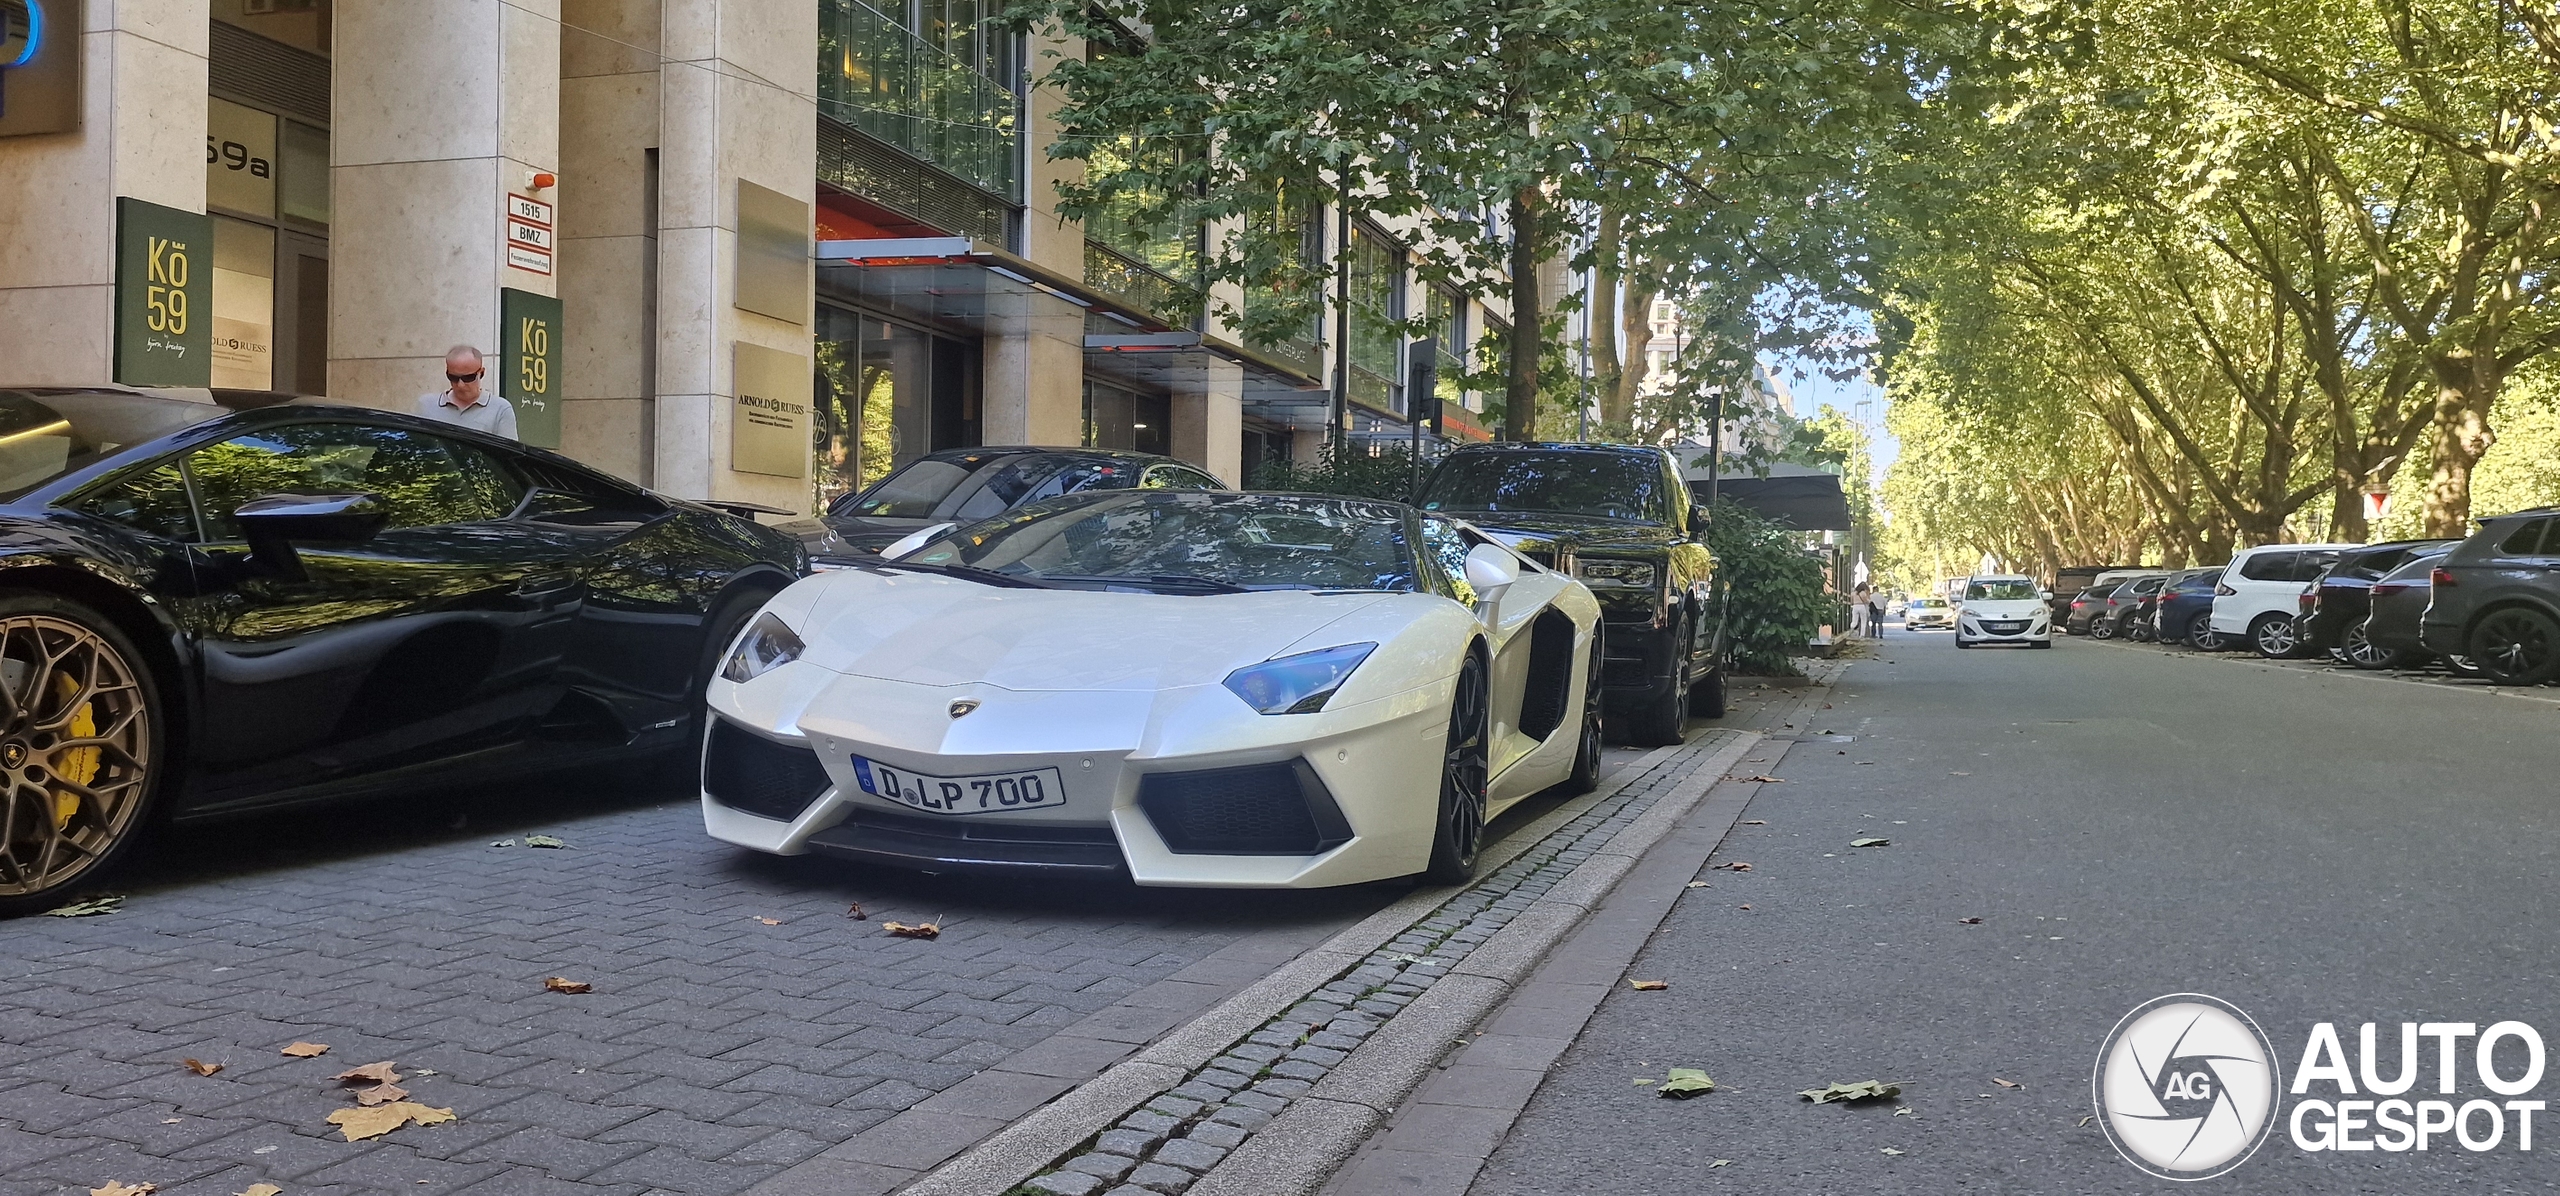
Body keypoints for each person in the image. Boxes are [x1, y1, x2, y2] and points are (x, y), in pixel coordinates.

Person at [415, 345, 518, 438]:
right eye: (453, 377)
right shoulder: (426, 405)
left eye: (468, 377)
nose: (460, 384)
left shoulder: (500, 409)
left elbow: (508, 455)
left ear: (481, 373)